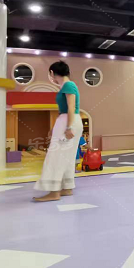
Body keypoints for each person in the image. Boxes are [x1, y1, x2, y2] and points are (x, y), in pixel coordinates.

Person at [33, 61, 83, 202]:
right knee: (66, 157)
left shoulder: (68, 85)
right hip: (67, 120)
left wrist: (68, 127)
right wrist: (54, 128)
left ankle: (54, 192)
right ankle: (66, 187)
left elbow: (71, 107)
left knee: (55, 156)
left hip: (69, 121)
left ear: (52, 73)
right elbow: (66, 109)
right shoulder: (67, 86)